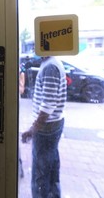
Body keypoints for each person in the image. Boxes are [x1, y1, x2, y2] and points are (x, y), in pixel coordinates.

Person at [22, 56, 67, 198]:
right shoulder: (51, 62)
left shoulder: (50, 67)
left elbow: (48, 105)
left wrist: (32, 130)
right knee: (51, 165)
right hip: (53, 125)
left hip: (47, 128)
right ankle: (53, 195)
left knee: (40, 172)